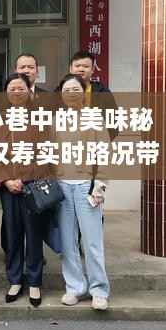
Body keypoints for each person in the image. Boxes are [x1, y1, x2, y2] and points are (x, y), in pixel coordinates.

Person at [55, 73, 110, 311]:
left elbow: (104, 153)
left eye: (76, 89)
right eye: (66, 90)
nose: (71, 93)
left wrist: (100, 185)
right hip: (61, 187)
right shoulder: (54, 119)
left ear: (84, 92)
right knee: (68, 243)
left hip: (87, 187)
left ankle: (99, 290)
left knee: (92, 242)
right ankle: (75, 287)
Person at [0, 73, 51, 307]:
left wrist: (26, 178)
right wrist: (8, 180)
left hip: (33, 185)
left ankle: (35, 281)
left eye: (21, 88)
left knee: (34, 233)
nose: (16, 92)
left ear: (29, 91)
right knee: (13, 233)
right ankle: (15, 280)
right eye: (12, 88)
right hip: (9, 187)